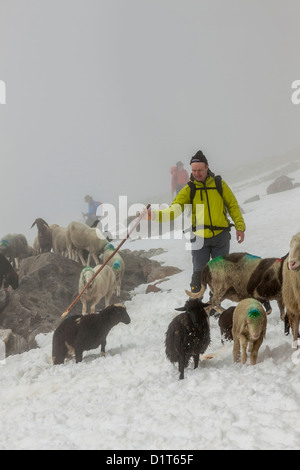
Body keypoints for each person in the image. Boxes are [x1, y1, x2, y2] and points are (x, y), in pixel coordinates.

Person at [146, 150, 246, 293]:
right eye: (194, 170)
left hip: (221, 237)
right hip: (199, 238)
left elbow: (233, 206)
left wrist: (240, 227)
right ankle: (196, 307)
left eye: (200, 170)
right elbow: (174, 210)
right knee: (198, 276)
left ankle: (214, 307)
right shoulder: (189, 189)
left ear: (207, 167)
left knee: (220, 276)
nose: (197, 173)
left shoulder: (219, 184)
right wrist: (154, 215)